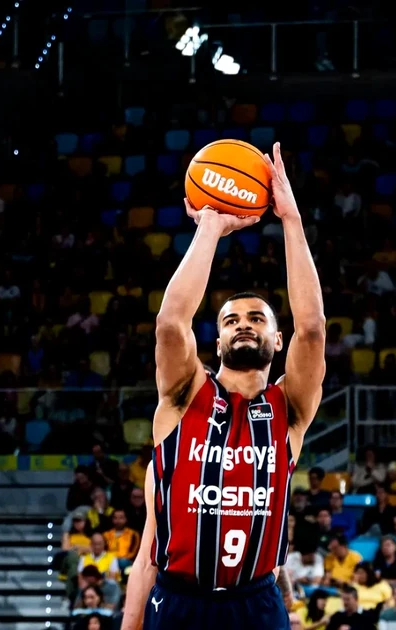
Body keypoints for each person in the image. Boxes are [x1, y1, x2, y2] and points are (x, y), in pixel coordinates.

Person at [123, 143, 326, 630]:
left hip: (254, 601)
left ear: (278, 340)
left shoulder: (289, 409)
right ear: (216, 341)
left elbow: (314, 326)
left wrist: (292, 222)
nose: (243, 325)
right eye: (231, 319)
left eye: (257, 318)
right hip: (178, 600)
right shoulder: (183, 396)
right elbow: (171, 323)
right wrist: (210, 228)